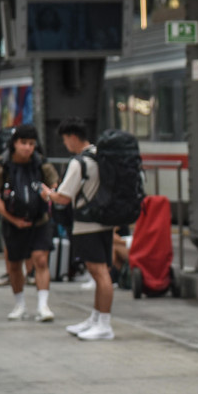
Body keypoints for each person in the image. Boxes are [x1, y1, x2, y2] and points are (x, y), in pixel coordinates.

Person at [41, 118, 116, 341]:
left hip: (87, 224)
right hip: (104, 221)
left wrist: (47, 194)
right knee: (99, 272)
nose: (66, 144)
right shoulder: (101, 154)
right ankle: (96, 318)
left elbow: (63, 198)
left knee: (100, 273)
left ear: (73, 137)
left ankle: (104, 324)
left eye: (65, 140)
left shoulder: (80, 162)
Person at [0, 124, 58, 322]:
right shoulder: (1, 165)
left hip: (39, 220)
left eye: (31, 144)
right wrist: (13, 219)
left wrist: (49, 193)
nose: (27, 148)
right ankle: (20, 305)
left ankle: (43, 306)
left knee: (40, 259)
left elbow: (54, 184)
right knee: (14, 264)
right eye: (23, 143)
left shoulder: (42, 163)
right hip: (13, 222)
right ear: (14, 144)